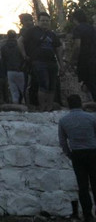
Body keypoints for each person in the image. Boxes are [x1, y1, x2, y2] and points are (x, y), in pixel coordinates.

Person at [59, 93, 96, 221]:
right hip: (92, 152)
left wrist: (70, 154)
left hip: (77, 154)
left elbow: (63, 142)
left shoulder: (63, 121)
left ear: (69, 105)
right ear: (80, 103)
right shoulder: (91, 118)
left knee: (83, 186)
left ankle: (88, 215)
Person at [35, 12, 63, 110]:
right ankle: (43, 106)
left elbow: (58, 49)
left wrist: (61, 65)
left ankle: (50, 106)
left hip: (52, 62)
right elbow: (21, 41)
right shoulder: (33, 32)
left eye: (47, 21)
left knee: (52, 85)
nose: (45, 22)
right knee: (43, 84)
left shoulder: (52, 34)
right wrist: (25, 56)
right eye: (42, 20)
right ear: (38, 21)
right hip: (40, 62)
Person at [74, 11, 96, 102]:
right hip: (94, 57)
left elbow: (77, 46)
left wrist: (73, 60)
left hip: (84, 59)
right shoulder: (93, 28)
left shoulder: (77, 29)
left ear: (75, 19)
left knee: (88, 82)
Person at [0, 30, 25, 104]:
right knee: (23, 90)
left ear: (7, 36)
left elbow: (3, 61)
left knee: (14, 91)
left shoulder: (3, 47)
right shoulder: (20, 46)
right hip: (21, 70)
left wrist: (4, 73)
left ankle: (16, 106)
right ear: (16, 36)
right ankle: (25, 105)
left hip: (9, 71)